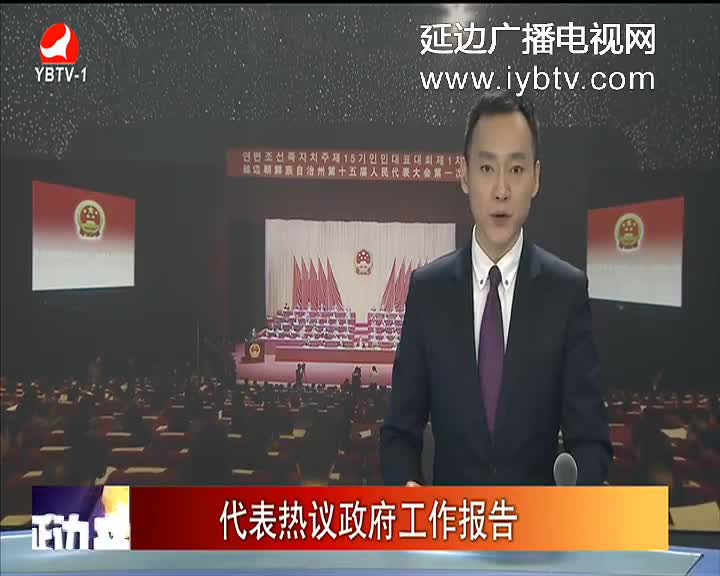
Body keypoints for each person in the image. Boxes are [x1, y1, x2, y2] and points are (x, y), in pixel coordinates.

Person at [380, 90, 612, 487]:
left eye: (516, 169)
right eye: (487, 168)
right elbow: (399, 433)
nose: (501, 190)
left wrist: (575, 495)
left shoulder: (566, 292)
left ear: (536, 178)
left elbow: (591, 440)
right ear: (464, 175)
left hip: (539, 524)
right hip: (453, 521)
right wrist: (407, 490)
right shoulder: (428, 291)